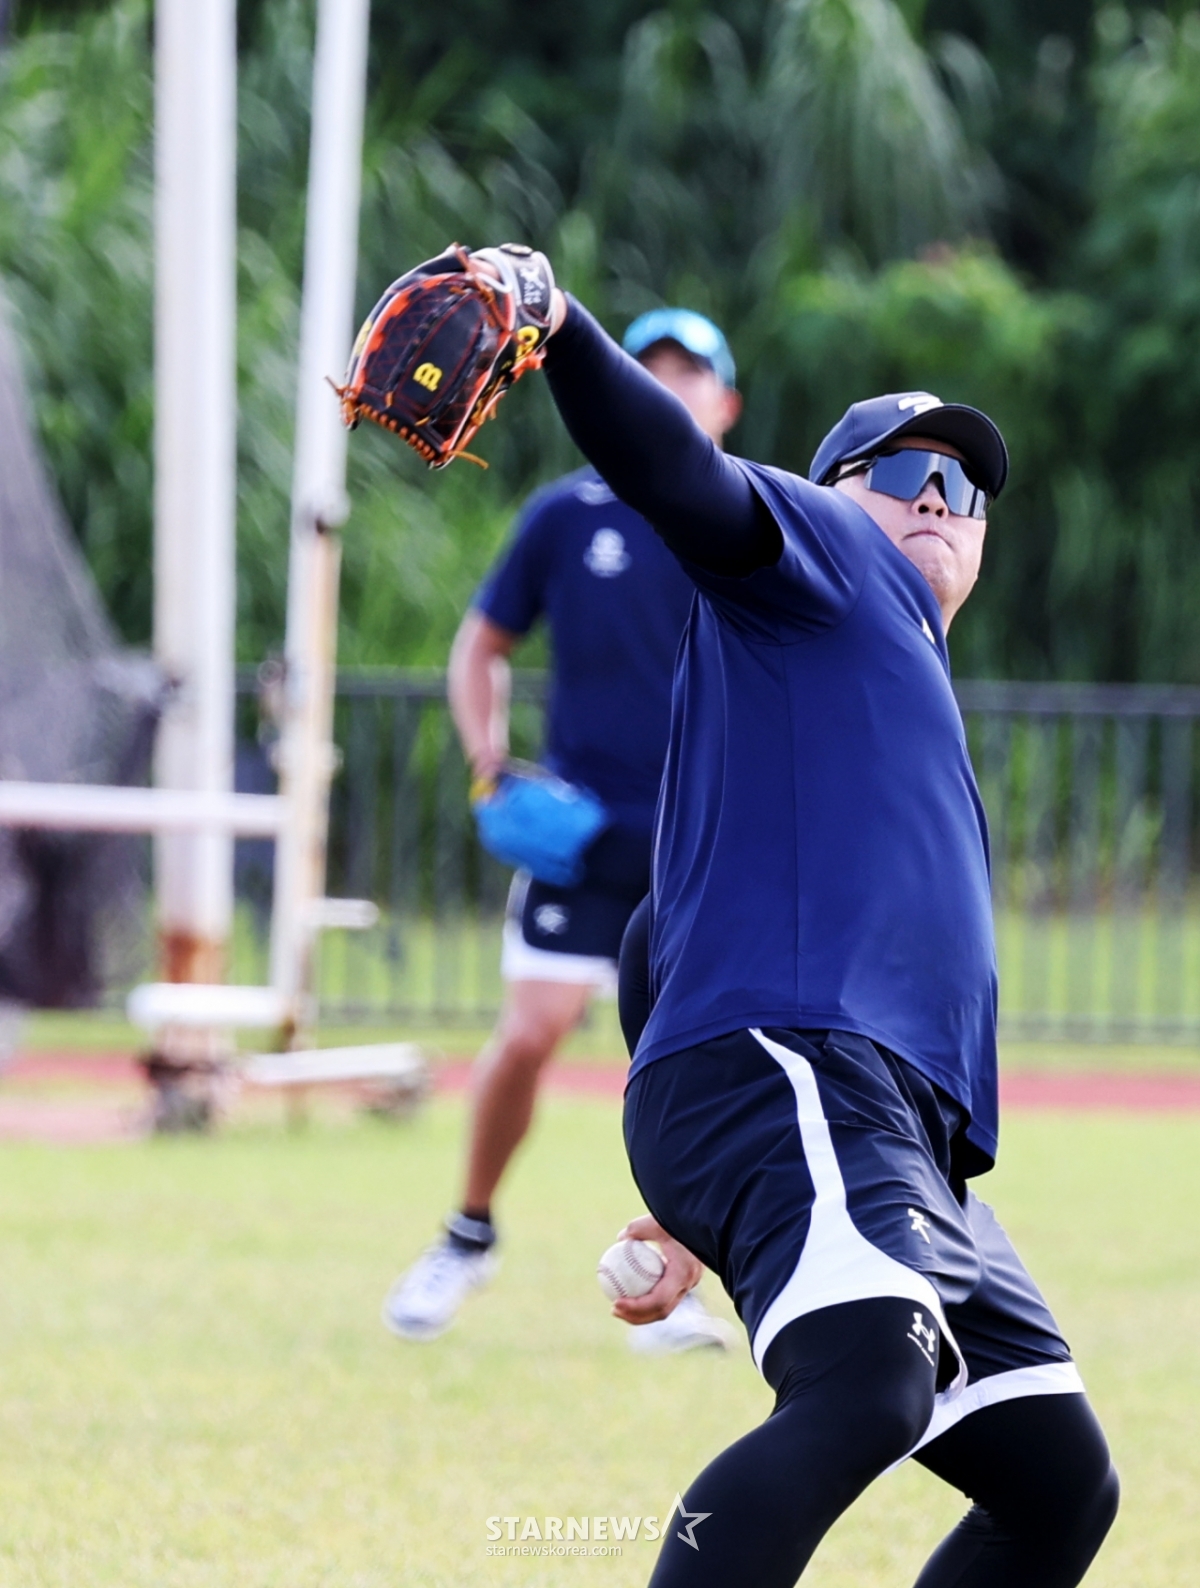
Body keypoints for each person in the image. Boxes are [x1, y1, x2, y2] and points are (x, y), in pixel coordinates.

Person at [511, 279, 1118, 1585]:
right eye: (906, 472)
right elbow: (681, 472)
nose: (940, 502)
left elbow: (656, 935)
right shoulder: (828, 559)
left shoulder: (865, 668)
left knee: (1056, 1483)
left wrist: (692, 1197)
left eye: (968, 488)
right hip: (806, 1067)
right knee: (865, 1389)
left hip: (882, 1124)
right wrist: (559, 326)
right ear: (833, 492)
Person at [382, 309, 741, 1353]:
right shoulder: (567, 514)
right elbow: (480, 644)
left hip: (699, 842)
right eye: (649, 369)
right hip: (583, 839)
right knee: (531, 1032)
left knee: (690, 1063)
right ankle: (468, 1233)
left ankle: (671, 1275)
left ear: (726, 403)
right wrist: (489, 764)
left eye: (691, 373)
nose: (668, 386)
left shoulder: (747, 515)